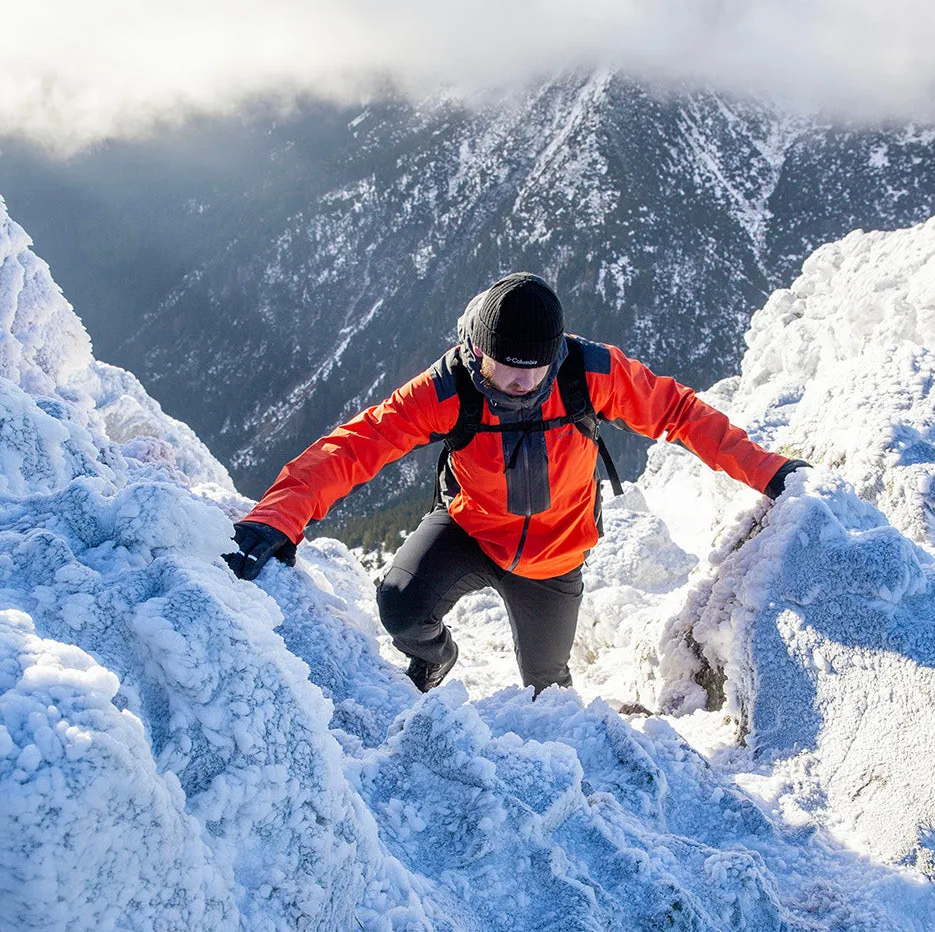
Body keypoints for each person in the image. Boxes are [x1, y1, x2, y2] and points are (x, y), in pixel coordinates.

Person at [226, 273, 806, 693]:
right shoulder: (449, 387)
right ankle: (437, 659)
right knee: (401, 607)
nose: (519, 382)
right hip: (469, 530)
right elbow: (357, 445)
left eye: (533, 369)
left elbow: (679, 412)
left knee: (546, 691)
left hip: (555, 558)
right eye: (503, 366)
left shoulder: (588, 372)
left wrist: (768, 470)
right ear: (476, 348)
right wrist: (279, 516)